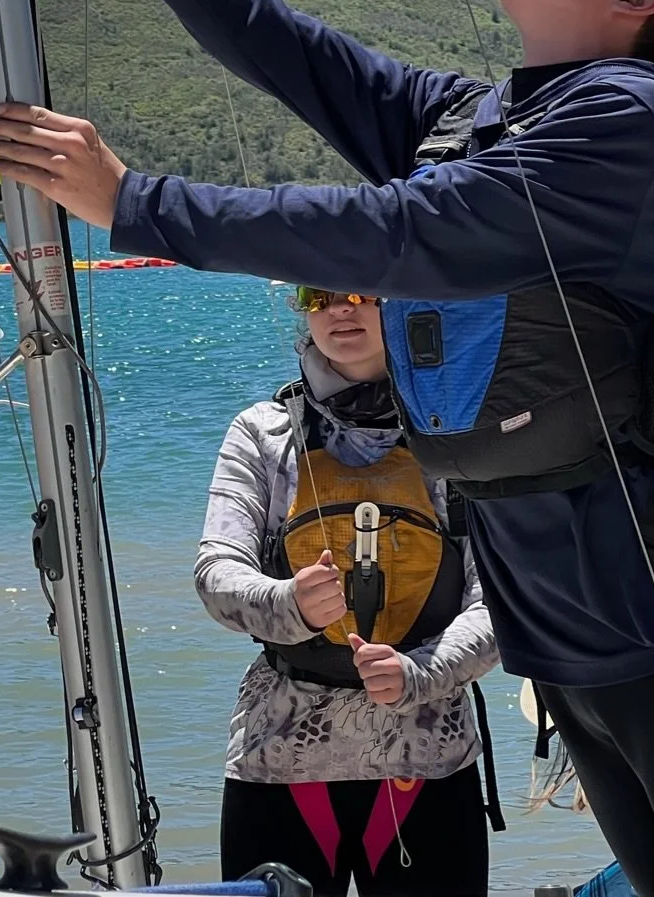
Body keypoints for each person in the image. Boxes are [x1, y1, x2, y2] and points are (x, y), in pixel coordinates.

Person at [0, 0, 654, 897]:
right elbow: (279, 45)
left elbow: (406, 232)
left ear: (644, 0)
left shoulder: (629, 124)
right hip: (554, 613)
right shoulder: (475, 117)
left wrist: (136, 202)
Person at [197, 285, 499, 895]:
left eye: (364, 291)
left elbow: (497, 601)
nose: (341, 308)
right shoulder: (263, 432)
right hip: (282, 758)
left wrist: (419, 673)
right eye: (320, 294)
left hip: (429, 756)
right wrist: (289, 605)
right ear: (304, 311)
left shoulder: (461, 434)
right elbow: (216, 575)